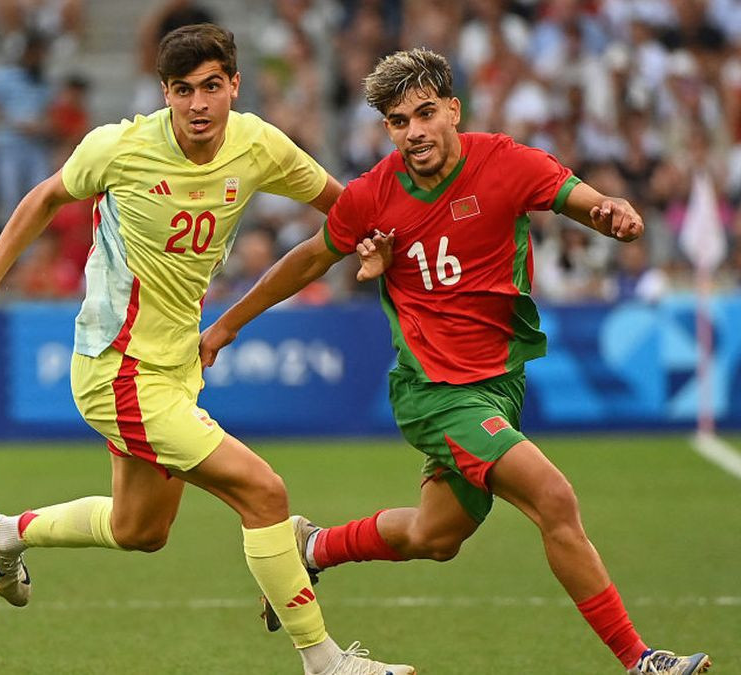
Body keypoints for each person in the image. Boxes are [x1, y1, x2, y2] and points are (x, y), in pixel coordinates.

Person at [199, 48, 712, 675]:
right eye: (397, 120)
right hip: (434, 390)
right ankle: (639, 660)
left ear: (453, 110)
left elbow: (579, 198)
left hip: (498, 385)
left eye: (424, 113)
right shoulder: (372, 194)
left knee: (434, 537)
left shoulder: (505, 161)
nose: (413, 131)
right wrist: (225, 326)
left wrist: (613, 212)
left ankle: (314, 546)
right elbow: (309, 258)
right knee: (553, 499)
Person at [0, 23, 413, 675]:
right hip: (118, 370)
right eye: (183, 90)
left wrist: (372, 241)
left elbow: (341, 203)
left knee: (141, 529)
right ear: (164, 93)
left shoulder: (256, 144)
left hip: (175, 365)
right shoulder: (122, 148)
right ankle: (325, 662)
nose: (198, 105)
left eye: (211, 87)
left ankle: (6, 532)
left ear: (234, 86)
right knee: (264, 493)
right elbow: (45, 196)